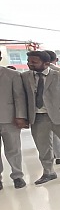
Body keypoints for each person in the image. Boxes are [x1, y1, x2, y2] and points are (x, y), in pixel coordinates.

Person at [21, 50, 60, 184]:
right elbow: (21, 97)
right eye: (29, 61)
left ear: (46, 63)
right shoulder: (25, 77)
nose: (30, 64)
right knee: (43, 147)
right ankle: (48, 172)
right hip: (38, 117)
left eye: (34, 62)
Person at [0, 51, 27, 189]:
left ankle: (17, 176)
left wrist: (20, 116)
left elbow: (19, 97)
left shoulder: (13, 75)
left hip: (9, 118)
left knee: (13, 149)